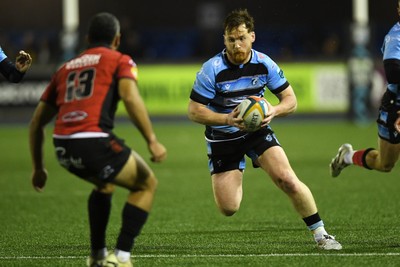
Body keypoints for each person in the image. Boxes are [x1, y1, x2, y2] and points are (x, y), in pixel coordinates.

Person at [188, 8, 342, 250]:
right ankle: (239, 164)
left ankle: (321, 234)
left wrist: (274, 110)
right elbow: (194, 110)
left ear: (252, 37)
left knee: (288, 180)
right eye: (231, 39)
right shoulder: (212, 69)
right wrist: (228, 120)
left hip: (256, 131)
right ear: (224, 39)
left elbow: (291, 100)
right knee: (229, 208)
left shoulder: (264, 63)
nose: (236, 45)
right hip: (223, 137)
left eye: (241, 38)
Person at [29, 12, 167, 267]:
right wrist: (152, 139)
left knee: (105, 185)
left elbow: (36, 123)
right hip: (93, 141)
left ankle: (97, 256)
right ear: (117, 39)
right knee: (146, 184)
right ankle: (122, 257)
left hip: (62, 146)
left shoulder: (65, 68)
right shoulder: (119, 59)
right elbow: (130, 97)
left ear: (88, 38)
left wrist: (38, 168)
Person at [330, 1, 400, 178]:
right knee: (385, 164)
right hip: (396, 107)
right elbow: (393, 72)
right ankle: (347, 156)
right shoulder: (396, 36)